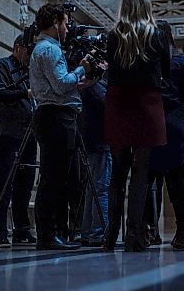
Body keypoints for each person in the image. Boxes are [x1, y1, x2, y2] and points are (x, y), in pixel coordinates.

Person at [104, 0, 170, 252]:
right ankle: (134, 235)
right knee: (141, 174)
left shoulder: (113, 35)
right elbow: (166, 71)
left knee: (117, 175)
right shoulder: (157, 35)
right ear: (146, 7)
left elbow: (111, 67)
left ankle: (110, 236)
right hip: (147, 103)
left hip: (119, 103)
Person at [29, 3, 98, 250]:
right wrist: (83, 67)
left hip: (54, 116)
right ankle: (48, 235)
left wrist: (79, 85)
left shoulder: (44, 48)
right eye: (66, 23)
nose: (68, 29)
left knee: (57, 177)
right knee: (54, 178)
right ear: (56, 22)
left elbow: (58, 86)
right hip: (56, 118)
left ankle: (54, 233)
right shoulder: (50, 49)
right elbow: (60, 85)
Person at [143, 20, 184, 249]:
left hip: (151, 123)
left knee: (146, 181)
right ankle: (183, 231)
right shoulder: (182, 60)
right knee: (178, 182)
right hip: (175, 124)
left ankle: (146, 231)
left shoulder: (146, 61)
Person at [0, 35, 37, 248]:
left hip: (29, 132)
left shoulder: (28, 72)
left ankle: (21, 230)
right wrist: (23, 92)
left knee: (25, 185)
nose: (30, 58)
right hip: (8, 132)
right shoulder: (2, 66)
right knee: (4, 183)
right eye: (28, 52)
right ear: (18, 48)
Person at [78, 76, 111, 247]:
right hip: (100, 143)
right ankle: (99, 232)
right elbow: (110, 107)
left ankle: (87, 231)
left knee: (93, 189)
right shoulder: (95, 86)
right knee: (101, 188)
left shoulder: (89, 86)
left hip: (92, 142)